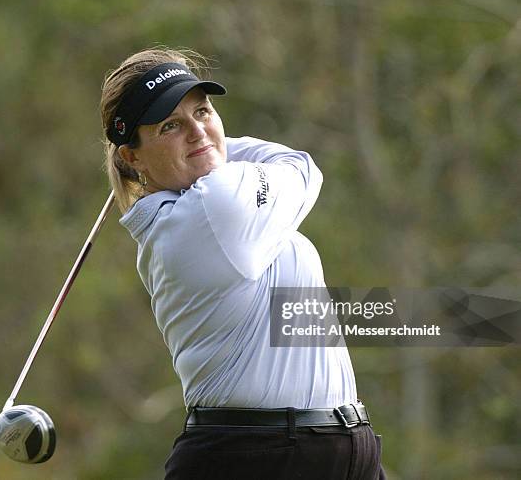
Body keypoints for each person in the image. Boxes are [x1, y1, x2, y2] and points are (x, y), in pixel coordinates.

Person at [100, 47, 386, 480]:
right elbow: (300, 166)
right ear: (131, 156)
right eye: (171, 125)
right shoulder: (209, 214)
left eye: (204, 111)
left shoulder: (205, 205)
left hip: (335, 450)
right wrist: (211, 149)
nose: (197, 130)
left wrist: (191, 149)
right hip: (257, 456)